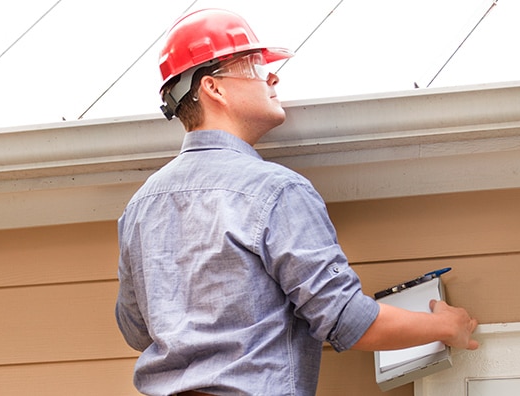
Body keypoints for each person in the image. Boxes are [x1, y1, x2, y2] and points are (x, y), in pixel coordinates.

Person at [115, 8, 478, 396]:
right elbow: (345, 319)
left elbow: (136, 330)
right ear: (213, 88)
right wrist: (445, 325)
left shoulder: (139, 207)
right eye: (254, 66)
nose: (273, 76)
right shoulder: (276, 191)